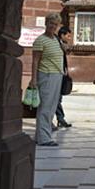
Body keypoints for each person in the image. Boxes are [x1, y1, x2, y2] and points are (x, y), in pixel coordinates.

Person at [31, 13, 64, 147]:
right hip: (46, 75)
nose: (53, 26)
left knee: (51, 107)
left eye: (55, 24)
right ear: (46, 23)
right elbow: (35, 61)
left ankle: (41, 135)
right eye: (51, 23)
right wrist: (33, 79)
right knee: (45, 107)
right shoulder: (40, 40)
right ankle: (44, 138)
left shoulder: (55, 39)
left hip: (57, 75)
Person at [53, 26, 73, 129]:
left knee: (58, 98)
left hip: (61, 74)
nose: (69, 38)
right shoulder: (56, 43)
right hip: (53, 74)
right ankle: (60, 119)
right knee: (55, 99)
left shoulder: (61, 44)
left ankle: (60, 119)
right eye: (68, 36)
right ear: (62, 35)